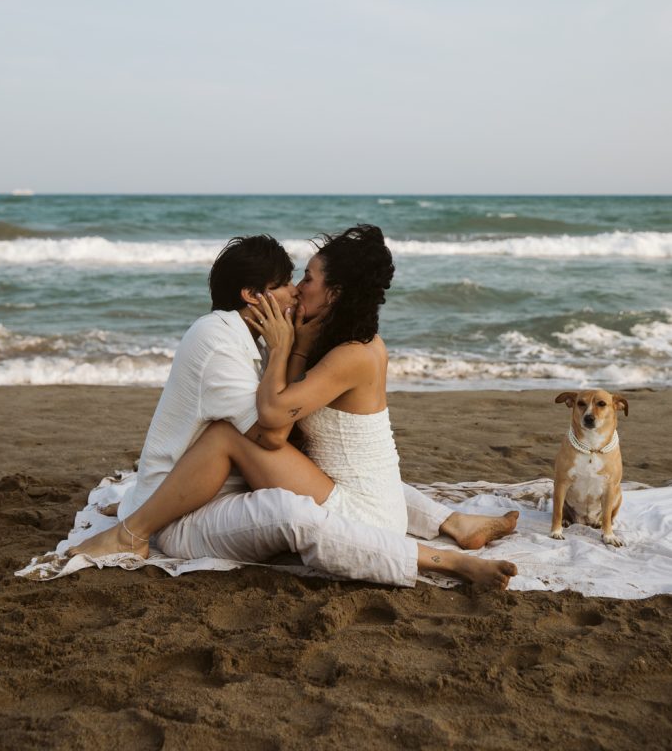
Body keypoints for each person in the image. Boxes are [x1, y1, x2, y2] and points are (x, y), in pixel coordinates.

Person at [68, 229, 517, 589]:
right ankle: (453, 523)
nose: (296, 290)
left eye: (305, 279)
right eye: (289, 281)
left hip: (361, 514)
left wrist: (285, 350)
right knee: (298, 460)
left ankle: (446, 551)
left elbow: (277, 427)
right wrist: (292, 347)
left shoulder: (347, 353)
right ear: (251, 295)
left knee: (237, 445)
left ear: (335, 293)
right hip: (343, 495)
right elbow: (287, 430)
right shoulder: (313, 340)